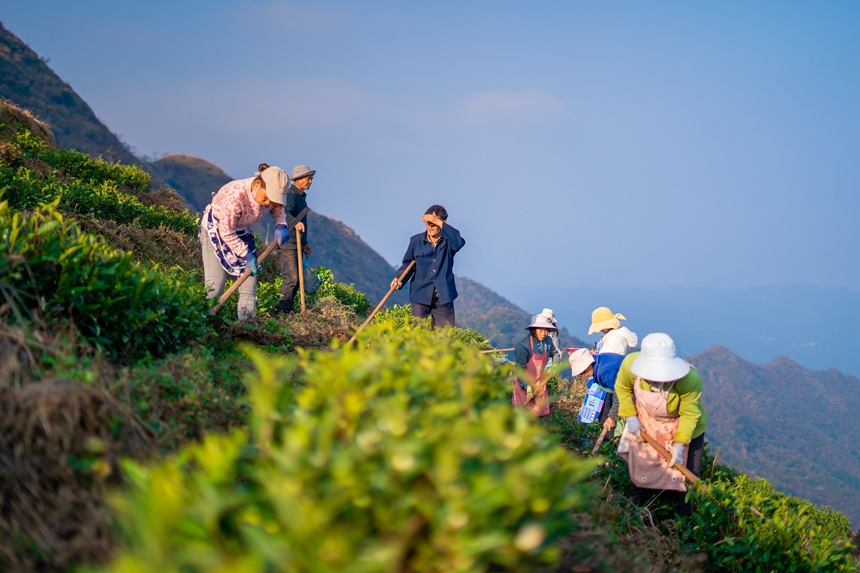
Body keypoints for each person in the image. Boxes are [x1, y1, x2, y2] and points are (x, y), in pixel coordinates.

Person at [614, 333, 707, 516]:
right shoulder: (630, 365)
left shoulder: (689, 379)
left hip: (683, 429)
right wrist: (630, 417)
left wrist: (679, 446)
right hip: (646, 424)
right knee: (643, 473)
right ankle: (636, 518)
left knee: (687, 482)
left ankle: (688, 528)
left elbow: (690, 414)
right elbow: (622, 388)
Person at [200, 163, 291, 320]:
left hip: (242, 231)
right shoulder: (235, 196)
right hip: (218, 229)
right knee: (215, 285)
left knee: (249, 283)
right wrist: (246, 255)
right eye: (267, 198)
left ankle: (247, 329)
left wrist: (281, 224)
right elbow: (226, 231)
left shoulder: (271, 198)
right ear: (257, 184)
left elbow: (278, 211)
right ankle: (200, 326)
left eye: (274, 200)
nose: (269, 203)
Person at [391, 205, 465, 328]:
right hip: (421, 294)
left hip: (444, 296)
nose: (430, 227)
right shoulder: (416, 241)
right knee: (419, 333)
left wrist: (438, 222)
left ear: (442, 223)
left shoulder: (449, 242)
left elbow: (459, 242)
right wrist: (399, 279)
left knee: (445, 337)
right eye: (428, 223)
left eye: (434, 224)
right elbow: (408, 264)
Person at [275, 164, 315, 314]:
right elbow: (284, 213)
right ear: (298, 179)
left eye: (311, 179)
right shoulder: (291, 195)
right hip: (288, 245)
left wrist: (305, 243)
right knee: (292, 279)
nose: (310, 181)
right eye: (308, 178)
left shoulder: (301, 198)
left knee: (297, 280)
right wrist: (295, 222)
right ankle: (282, 311)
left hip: (297, 244)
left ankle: (288, 309)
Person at [511, 314, 561, 417]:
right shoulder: (523, 347)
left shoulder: (547, 341)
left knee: (538, 416)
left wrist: (555, 366)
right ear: (533, 330)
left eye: (546, 330)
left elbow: (555, 353)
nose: (543, 334)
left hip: (539, 383)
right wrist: (527, 387)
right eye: (540, 330)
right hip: (523, 384)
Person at [568, 348, 625, 432]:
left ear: (589, 363)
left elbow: (620, 394)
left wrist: (612, 417)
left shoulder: (604, 371)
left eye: (584, 371)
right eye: (581, 373)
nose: (584, 375)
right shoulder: (601, 361)